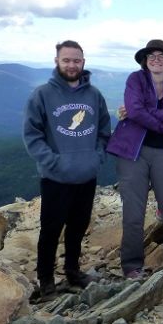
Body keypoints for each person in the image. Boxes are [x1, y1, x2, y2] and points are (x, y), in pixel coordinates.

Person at [23, 40, 110, 298]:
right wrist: (52, 162)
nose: (72, 65)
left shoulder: (94, 95)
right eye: (66, 60)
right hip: (56, 178)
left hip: (86, 175)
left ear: (83, 62)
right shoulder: (42, 95)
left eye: (76, 60)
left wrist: (97, 158)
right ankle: (46, 280)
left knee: (78, 226)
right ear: (57, 61)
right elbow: (32, 135)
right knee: (50, 229)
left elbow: (104, 130)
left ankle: (73, 271)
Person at [106, 40, 163, 279]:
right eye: (151, 55)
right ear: (145, 60)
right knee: (134, 212)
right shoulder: (135, 79)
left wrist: (143, 113)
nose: (156, 59)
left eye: (161, 55)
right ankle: (132, 265)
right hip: (133, 152)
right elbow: (133, 109)